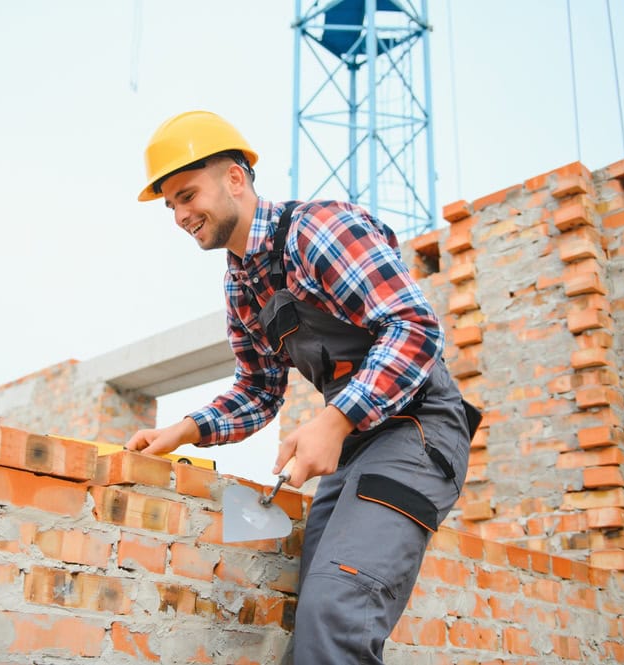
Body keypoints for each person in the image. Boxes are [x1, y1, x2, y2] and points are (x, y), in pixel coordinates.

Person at [124, 110, 479, 665]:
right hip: (357, 446)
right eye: (171, 205)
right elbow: (260, 390)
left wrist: (333, 422)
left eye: (188, 195)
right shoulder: (242, 285)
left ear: (236, 179)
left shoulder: (320, 229)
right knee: (311, 623)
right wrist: (183, 430)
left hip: (418, 430)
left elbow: (414, 327)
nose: (180, 215)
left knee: (336, 613)